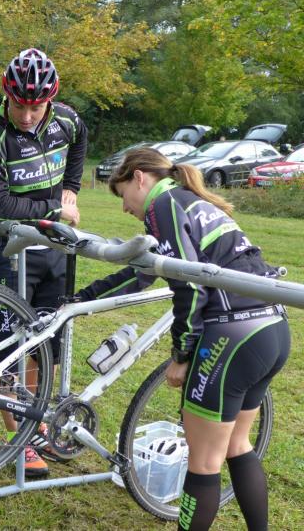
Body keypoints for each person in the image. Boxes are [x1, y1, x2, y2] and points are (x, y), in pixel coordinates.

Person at [77, 148, 288, 531]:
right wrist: (83, 298)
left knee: (204, 463)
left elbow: (190, 287)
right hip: (271, 327)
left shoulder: (165, 205)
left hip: (232, 334)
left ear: (139, 177)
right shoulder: (189, 201)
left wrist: (182, 354)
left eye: (122, 194)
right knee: (237, 446)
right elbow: (142, 274)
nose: (124, 207)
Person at [0, 48, 87, 478]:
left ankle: (34, 424)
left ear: (50, 100)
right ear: (7, 96)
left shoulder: (66, 120)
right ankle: (17, 438)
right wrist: (57, 208)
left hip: (53, 252)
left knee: (45, 344)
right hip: (7, 252)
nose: (28, 115)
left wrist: (71, 186)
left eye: (37, 106)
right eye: (20, 105)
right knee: (10, 349)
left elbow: (80, 141)